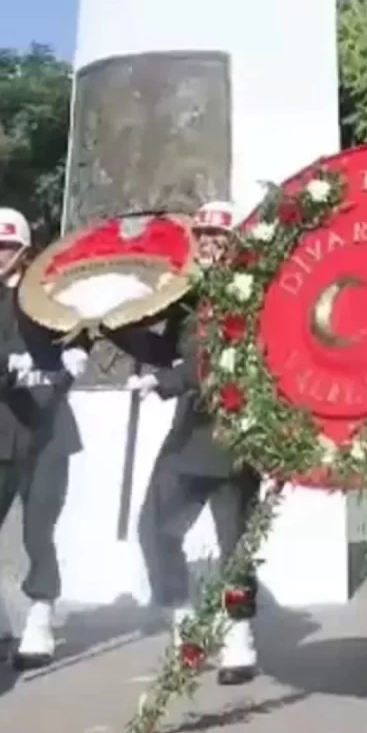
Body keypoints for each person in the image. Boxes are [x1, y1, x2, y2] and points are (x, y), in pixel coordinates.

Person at [124, 200, 262, 686]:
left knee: (235, 545)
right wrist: (118, 326)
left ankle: (239, 637)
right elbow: (167, 349)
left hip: (234, 436)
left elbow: (216, 364)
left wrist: (165, 382)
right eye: (201, 236)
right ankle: (184, 621)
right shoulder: (189, 295)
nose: (207, 244)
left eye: (217, 237)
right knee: (154, 528)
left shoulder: (251, 298)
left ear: (236, 244)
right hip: (188, 435)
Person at [0, 206, 88, 671]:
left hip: (49, 427)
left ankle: (39, 622)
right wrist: (14, 361)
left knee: (38, 530)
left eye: (4, 246)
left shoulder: (51, 295)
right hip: (2, 422)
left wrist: (74, 358)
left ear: (24, 251)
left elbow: (79, 332)